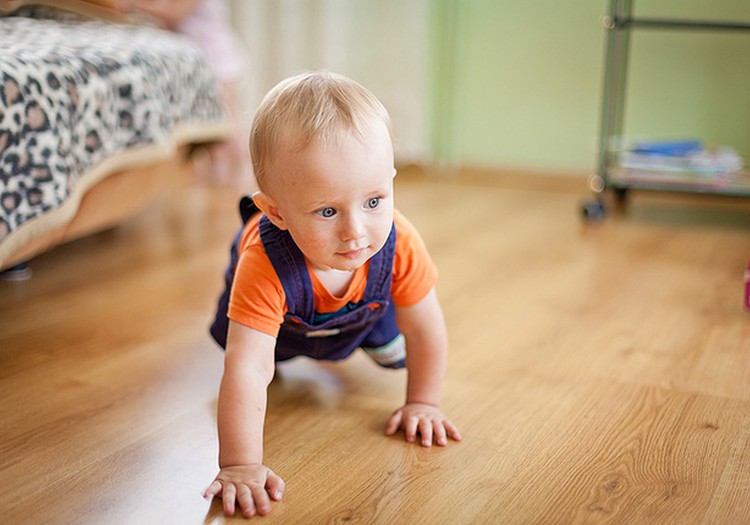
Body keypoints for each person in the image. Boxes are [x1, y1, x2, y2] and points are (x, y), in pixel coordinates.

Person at [204, 70, 461, 518]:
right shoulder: (264, 264)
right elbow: (247, 370)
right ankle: (292, 335)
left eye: (375, 200)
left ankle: (373, 333)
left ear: (392, 180)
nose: (356, 231)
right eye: (327, 211)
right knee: (249, 353)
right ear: (277, 211)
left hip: (364, 305)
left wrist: (423, 402)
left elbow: (426, 332)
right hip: (282, 322)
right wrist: (240, 465)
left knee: (395, 336)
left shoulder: (398, 242)